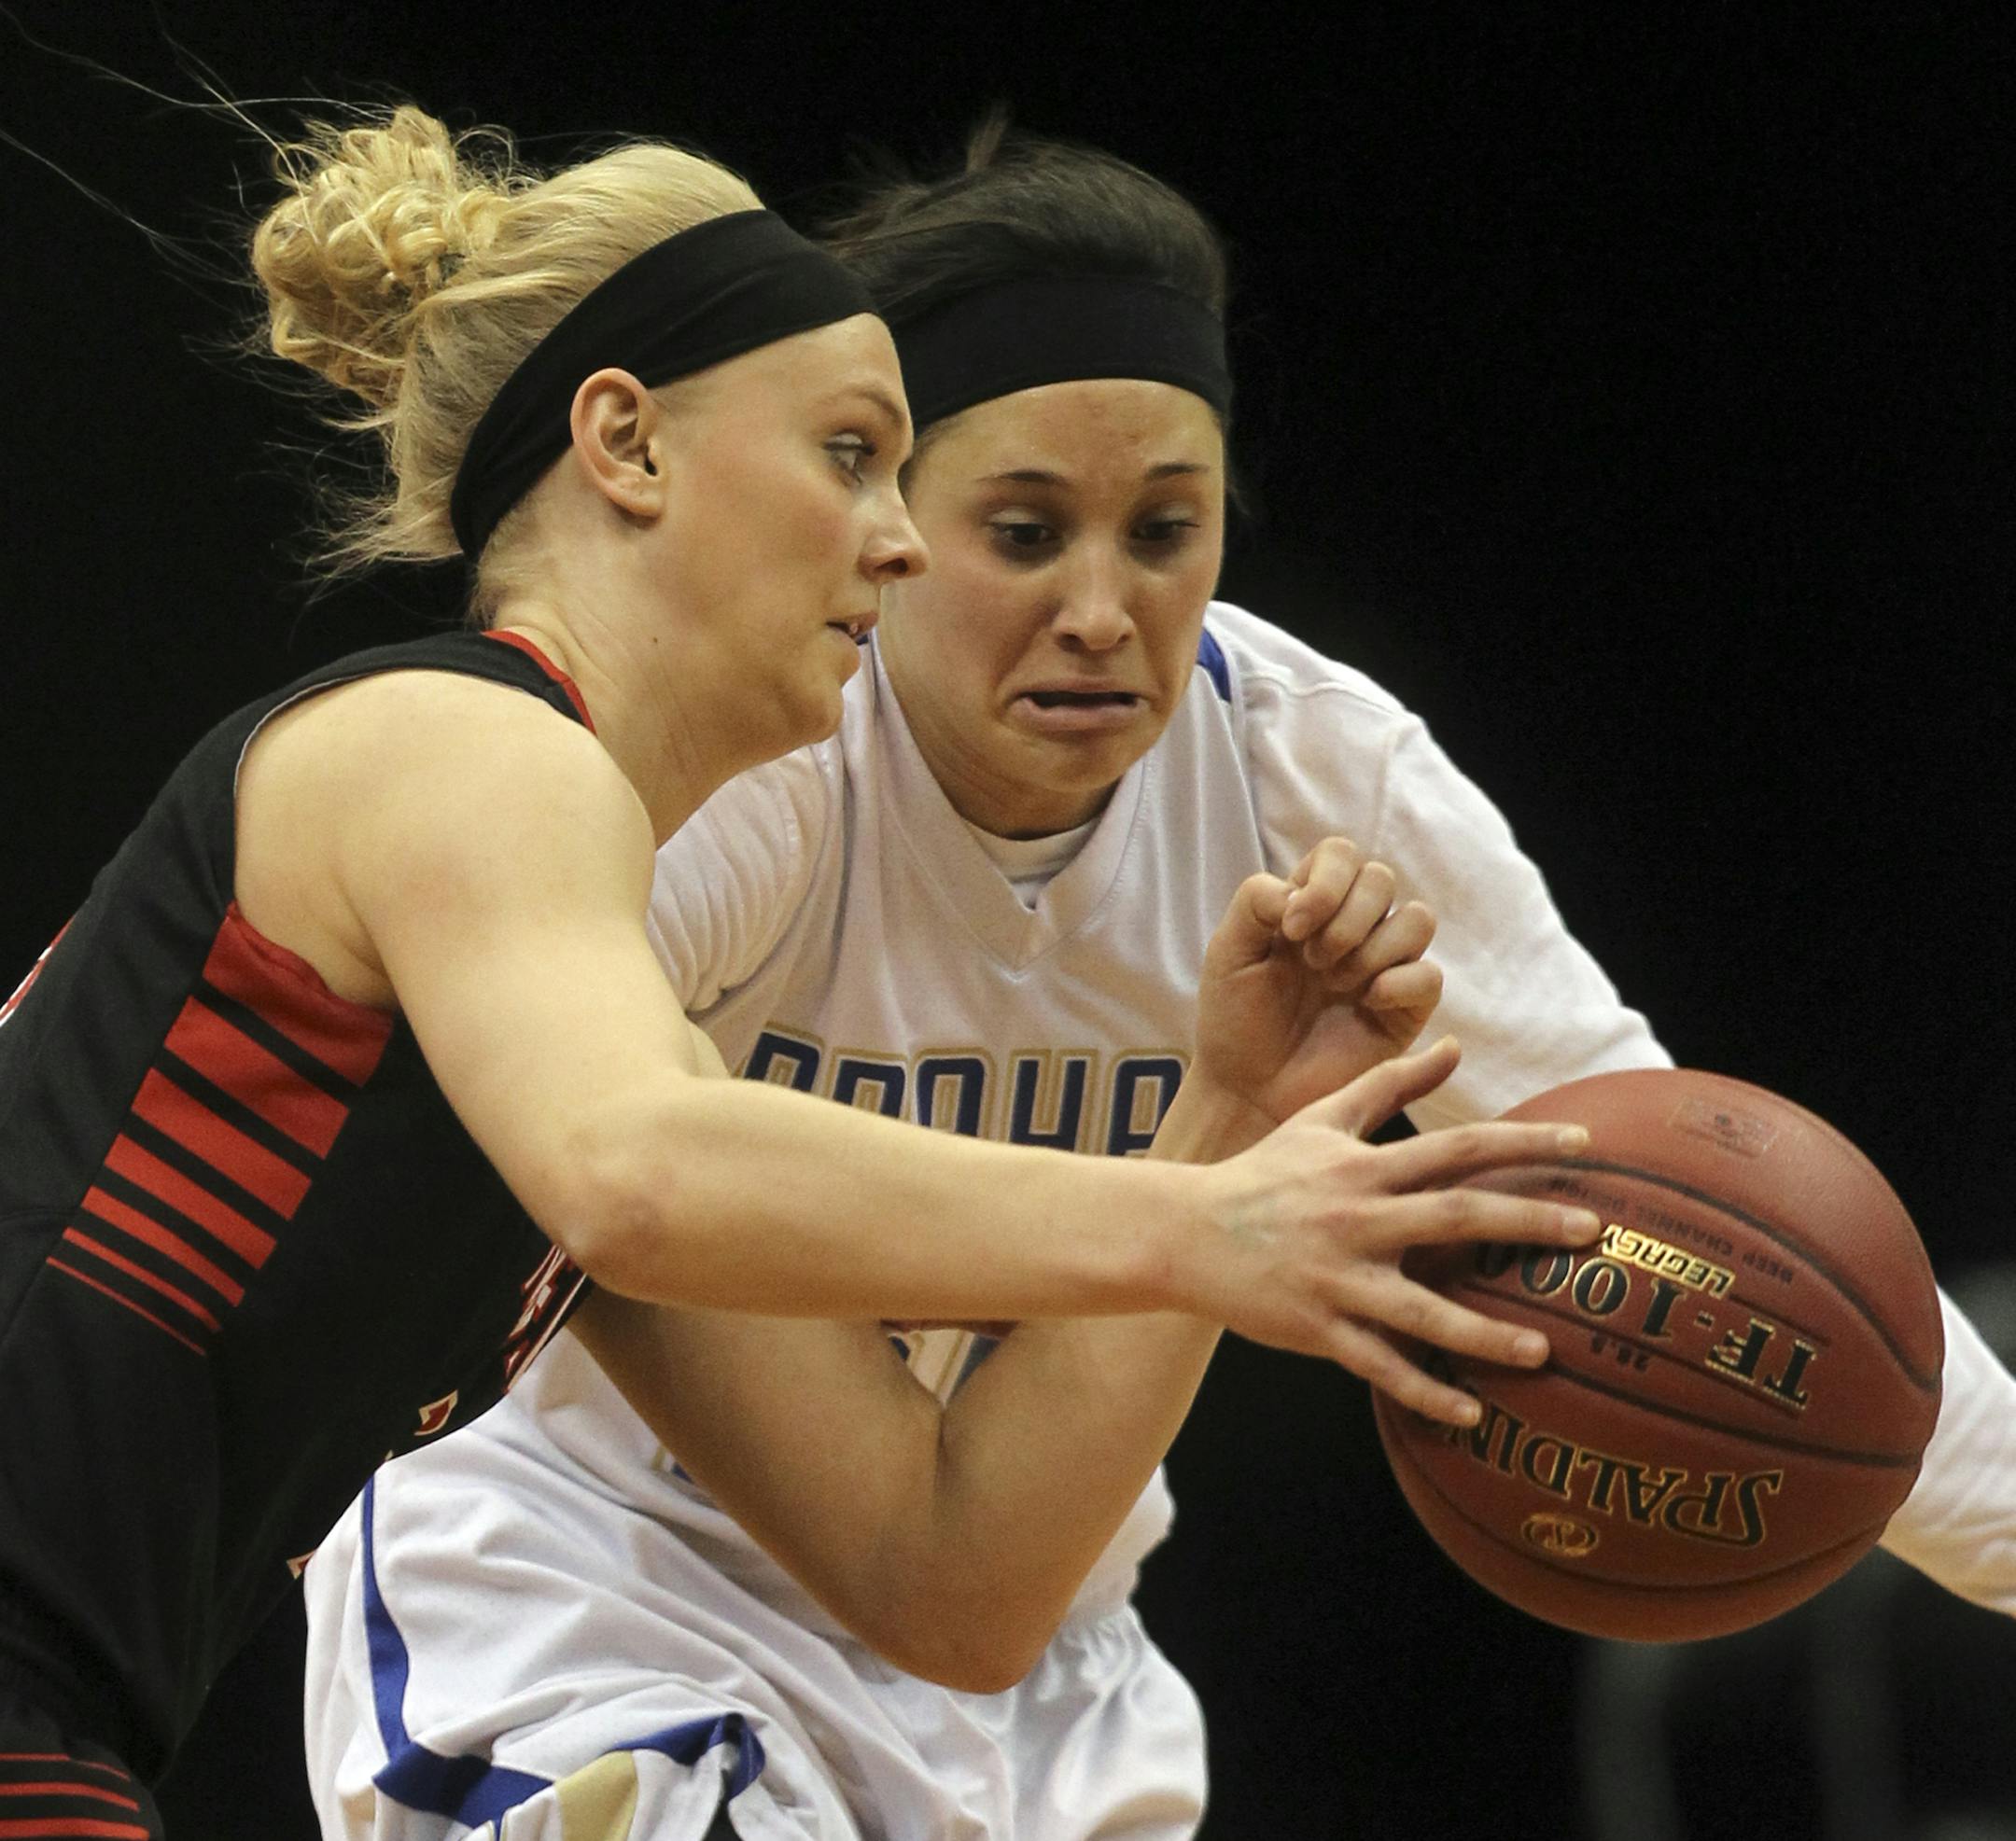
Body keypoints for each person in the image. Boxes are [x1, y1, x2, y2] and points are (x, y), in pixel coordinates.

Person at [299, 122, 2016, 1841]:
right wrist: (1203, 1213)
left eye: (1167, 530)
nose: (1106, 609)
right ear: (886, 528)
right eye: (1028, 533)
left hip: (1034, 1654)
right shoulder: (752, 763)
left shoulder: (1308, 774)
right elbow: (585, 1170)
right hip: (598, 1587)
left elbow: (1675, 1207)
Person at [0, 106, 1608, 1840]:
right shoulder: (465, 746)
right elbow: (640, 1172)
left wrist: (1212, 1124)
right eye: (852, 455)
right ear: (625, 444)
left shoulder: (590, 1021)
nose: (899, 538)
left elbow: (947, 1575)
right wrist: (1204, 1232)